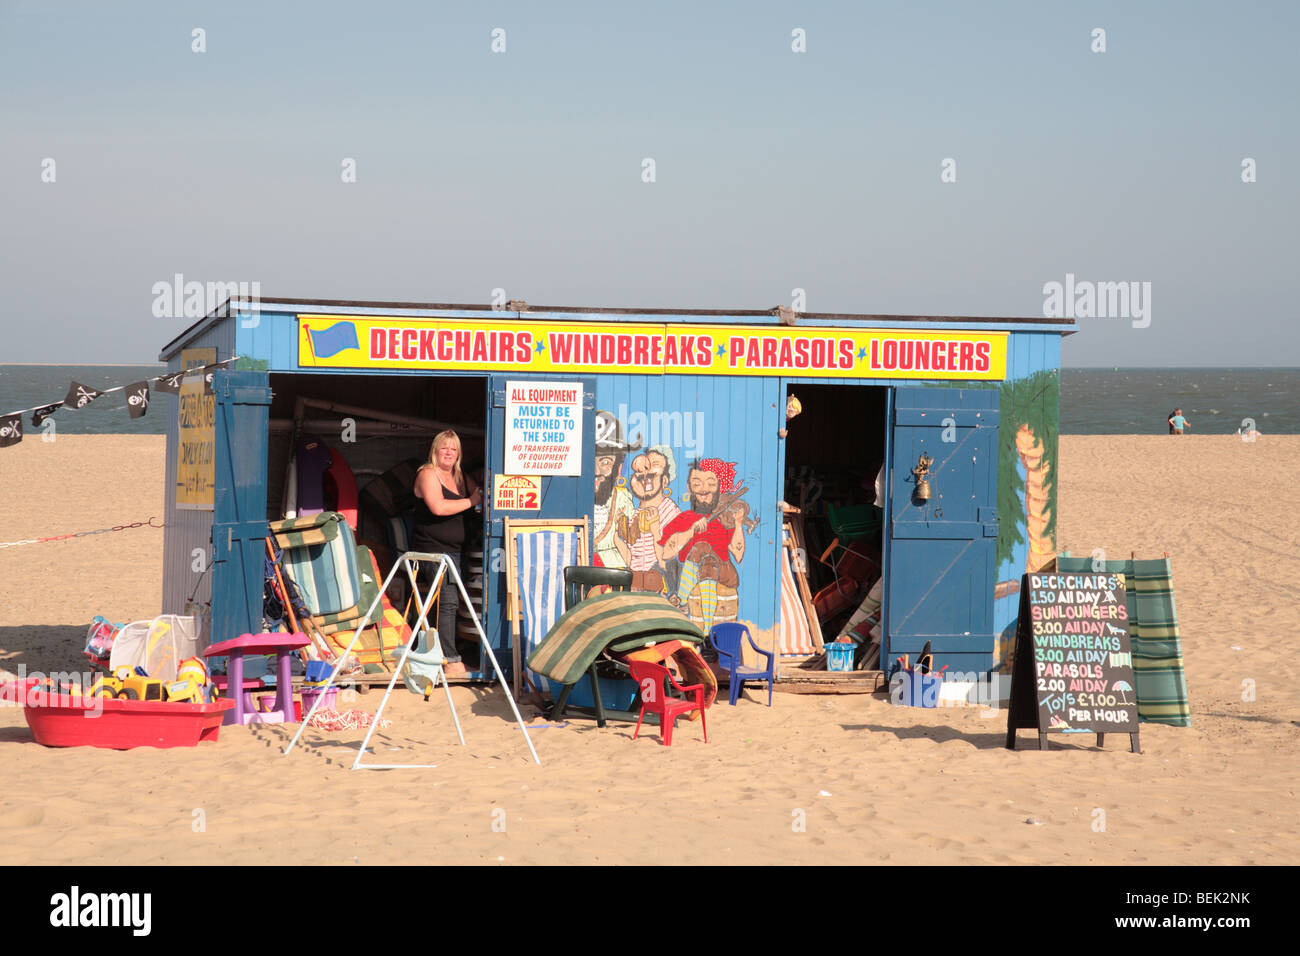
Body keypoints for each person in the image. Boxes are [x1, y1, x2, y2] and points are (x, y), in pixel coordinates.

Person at [411, 430, 483, 676]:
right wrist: (472, 502)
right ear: (435, 450)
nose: (449, 453)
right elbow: (438, 507)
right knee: (448, 602)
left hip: (455, 551)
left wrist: (480, 502)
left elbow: (480, 494)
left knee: (448, 602)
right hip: (432, 550)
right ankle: (450, 660)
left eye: (453, 449)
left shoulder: (461, 476)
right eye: (444, 448)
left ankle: (431, 655)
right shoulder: (427, 473)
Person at [619, 445, 681, 593]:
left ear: (665, 480)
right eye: (639, 469)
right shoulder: (635, 514)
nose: (645, 474)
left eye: (654, 466)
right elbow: (631, 556)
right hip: (635, 583)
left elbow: (668, 560)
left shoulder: (671, 512)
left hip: (659, 585)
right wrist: (617, 535)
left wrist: (655, 529)